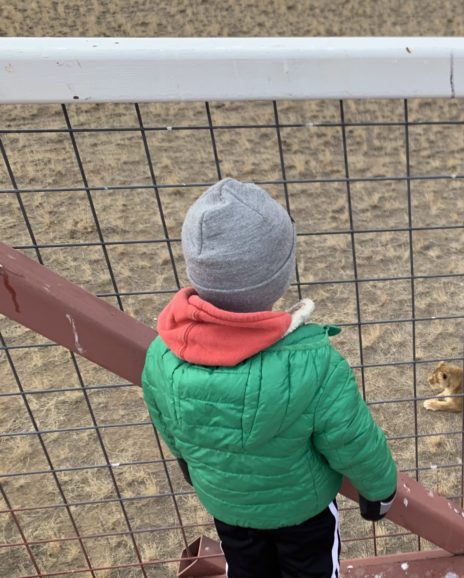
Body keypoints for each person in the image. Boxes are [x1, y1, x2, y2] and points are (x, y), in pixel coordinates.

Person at [141, 178, 397, 577]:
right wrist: (379, 491)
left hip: (227, 505)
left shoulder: (163, 353)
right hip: (303, 511)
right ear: (278, 277)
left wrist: (189, 465)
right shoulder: (312, 362)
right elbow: (351, 438)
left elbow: (168, 425)